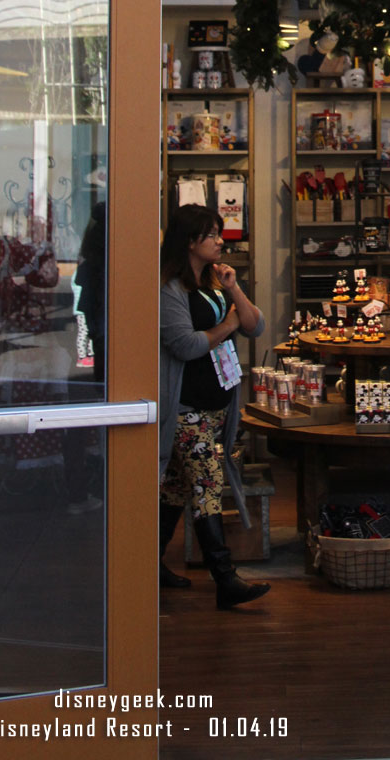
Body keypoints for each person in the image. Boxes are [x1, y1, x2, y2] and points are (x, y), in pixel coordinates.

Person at [159, 204, 270, 609]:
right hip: (186, 406)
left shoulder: (214, 280)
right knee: (207, 487)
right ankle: (226, 580)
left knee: (174, 487)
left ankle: (149, 565)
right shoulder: (170, 287)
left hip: (217, 402)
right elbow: (185, 345)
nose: (221, 241)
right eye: (212, 235)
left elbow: (256, 325)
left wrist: (234, 288)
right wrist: (227, 327)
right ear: (190, 241)